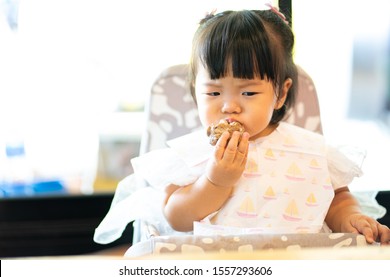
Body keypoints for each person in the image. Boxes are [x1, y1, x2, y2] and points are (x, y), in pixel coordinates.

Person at [94, 7, 390, 246]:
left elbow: (335, 199)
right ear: (195, 92)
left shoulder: (309, 150)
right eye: (213, 93)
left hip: (302, 264)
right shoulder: (191, 154)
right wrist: (214, 181)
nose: (229, 106)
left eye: (248, 93)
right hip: (219, 265)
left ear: (281, 93)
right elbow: (176, 217)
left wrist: (350, 217)